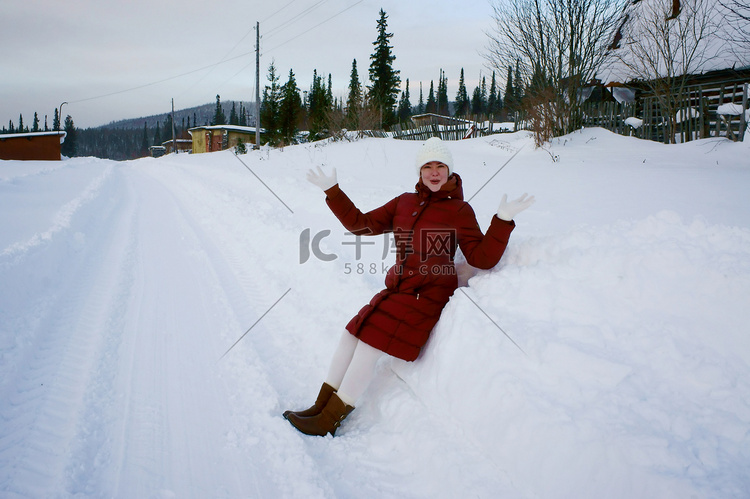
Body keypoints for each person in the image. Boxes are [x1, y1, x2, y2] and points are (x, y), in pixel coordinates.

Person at [284, 137, 534, 437]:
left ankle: (329, 420)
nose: (434, 172)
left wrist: (502, 221)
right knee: (350, 335)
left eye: (440, 165)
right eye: (427, 166)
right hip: (398, 290)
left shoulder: (460, 211)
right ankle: (320, 406)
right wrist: (333, 192)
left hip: (427, 296)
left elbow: (481, 257)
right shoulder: (404, 202)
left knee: (368, 345)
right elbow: (361, 224)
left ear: (449, 171)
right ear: (419, 171)